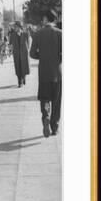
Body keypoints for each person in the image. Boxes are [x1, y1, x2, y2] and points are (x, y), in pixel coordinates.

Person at [30, 9, 62, 137]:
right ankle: (54, 127)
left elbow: (32, 54)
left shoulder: (38, 34)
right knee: (56, 101)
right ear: (54, 19)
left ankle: (46, 117)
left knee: (45, 98)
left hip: (43, 73)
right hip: (57, 73)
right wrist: (58, 59)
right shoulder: (60, 33)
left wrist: (42, 56)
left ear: (45, 19)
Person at [10, 21, 31, 87]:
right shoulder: (12, 35)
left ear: (19, 27)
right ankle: (20, 81)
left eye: (15, 26)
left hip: (24, 53)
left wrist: (27, 50)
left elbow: (28, 43)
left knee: (24, 67)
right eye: (14, 27)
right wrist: (11, 50)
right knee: (18, 67)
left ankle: (23, 77)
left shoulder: (25, 34)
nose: (14, 28)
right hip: (16, 53)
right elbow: (10, 43)